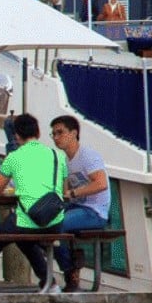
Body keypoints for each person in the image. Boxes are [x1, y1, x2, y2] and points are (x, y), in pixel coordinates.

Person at [0, 113, 65, 291]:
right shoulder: (57, 156)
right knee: (24, 241)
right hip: (55, 221)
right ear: (38, 133)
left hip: (28, 220)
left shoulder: (14, 157)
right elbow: (63, 191)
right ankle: (49, 282)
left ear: (16, 136)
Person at [49, 115, 112, 292]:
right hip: (77, 207)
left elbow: (101, 183)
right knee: (43, 221)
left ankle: (71, 273)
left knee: (57, 224)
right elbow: (63, 191)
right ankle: (67, 268)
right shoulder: (63, 160)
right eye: (53, 134)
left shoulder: (87, 156)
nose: (56, 137)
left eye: (60, 132)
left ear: (74, 133)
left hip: (94, 211)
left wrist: (74, 193)